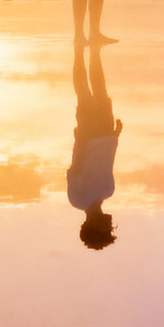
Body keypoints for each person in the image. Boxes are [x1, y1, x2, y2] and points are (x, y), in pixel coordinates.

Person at [67, 43, 121, 249]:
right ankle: (95, 52)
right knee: (100, 89)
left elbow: (76, 168)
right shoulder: (108, 191)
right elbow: (108, 162)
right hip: (106, 133)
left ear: (92, 226)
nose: (110, 226)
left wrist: (80, 140)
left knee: (83, 93)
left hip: (89, 136)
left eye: (106, 230)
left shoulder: (78, 200)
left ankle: (79, 51)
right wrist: (116, 136)